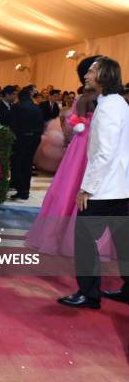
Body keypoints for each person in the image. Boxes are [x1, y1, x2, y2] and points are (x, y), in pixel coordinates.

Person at [58, 56, 129, 309]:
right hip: (120, 188)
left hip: (104, 189)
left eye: (91, 71)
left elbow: (104, 153)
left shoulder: (109, 106)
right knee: (124, 241)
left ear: (104, 75)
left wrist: (87, 188)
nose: (86, 76)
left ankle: (89, 294)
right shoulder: (118, 102)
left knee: (85, 240)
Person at [25, 56, 113, 257]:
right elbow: (76, 124)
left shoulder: (99, 98)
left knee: (73, 188)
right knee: (77, 188)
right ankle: (76, 239)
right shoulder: (89, 98)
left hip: (84, 147)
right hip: (85, 147)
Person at [9, 86, 44, 200]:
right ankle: (25, 191)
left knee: (18, 164)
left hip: (21, 138)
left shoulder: (16, 107)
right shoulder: (36, 107)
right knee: (28, 165)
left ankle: (20, 190)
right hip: (34, 138)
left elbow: (13, 125)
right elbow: (41, 125)